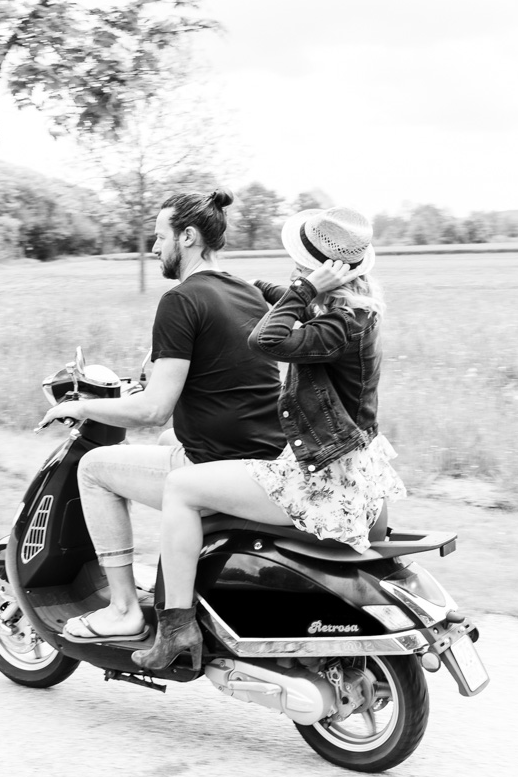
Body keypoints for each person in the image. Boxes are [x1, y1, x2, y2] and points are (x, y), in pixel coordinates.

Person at [133, 204, 406, 673]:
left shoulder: (337, 325)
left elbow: (267, 339)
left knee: (179, 488)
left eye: (301, 268)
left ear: (321, 272)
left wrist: (300, 290)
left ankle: (177, 628)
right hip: (343, 473)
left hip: (322, 483)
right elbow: (279, 300)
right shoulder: (353, 311)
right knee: (167, 445)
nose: (294, 275)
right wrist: (241, 284)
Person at [37, 189, 283, 648]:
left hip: (217, 465)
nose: (153, 248)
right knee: (167, 440)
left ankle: (124, 610)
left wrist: (79, 406)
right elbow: (220, 376)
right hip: (264, 454)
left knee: (94, 469)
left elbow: (153, 409)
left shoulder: (181, 299)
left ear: (187, 237)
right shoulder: (248, 293)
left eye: (159, 237)